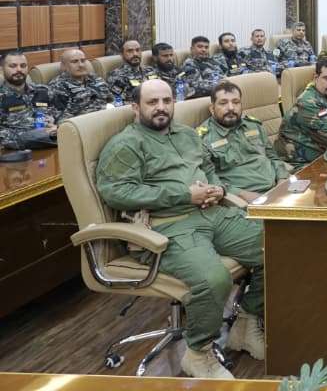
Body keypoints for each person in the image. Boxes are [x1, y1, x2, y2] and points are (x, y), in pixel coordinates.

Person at [95, 79, 265, 379]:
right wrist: (184, 195)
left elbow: (207, 167)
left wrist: (216, 188)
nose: (161, 107)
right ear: (135, 107)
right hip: (166, 227)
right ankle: (198, 354)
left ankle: (246, 322)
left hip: (210, 213)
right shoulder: (125, 144)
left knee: (276, 245)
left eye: (167, 100)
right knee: (213, 279)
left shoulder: (187, 134)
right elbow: (117, 193)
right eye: (152, 102)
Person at [197, 80, 291, 201]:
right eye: (223, 103)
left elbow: (273, 157)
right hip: (246, 197)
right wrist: (243, 195)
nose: (231, 108)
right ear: (212, 108)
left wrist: (282, 180)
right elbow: (211, 179)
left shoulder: (253, 125)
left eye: (236, 102)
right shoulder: (203, 138)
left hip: (277, 187)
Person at [0, 51, 57, 149]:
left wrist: (57, 126)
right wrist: (42, 135)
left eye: (23, 66)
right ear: (2, 69)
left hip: (53, 146)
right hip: (18, 152)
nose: (19, 69)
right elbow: (3, 138)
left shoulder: (44, 90)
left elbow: (62, 116)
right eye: (13, 66)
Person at [47, 48, 112, 121]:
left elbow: (112, 100)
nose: (81, 65)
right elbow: (60, 119)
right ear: (63, 66)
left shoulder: (95, 78)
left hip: (107, 119)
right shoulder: (58, 86)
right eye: (74, 62)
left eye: (83, 61)